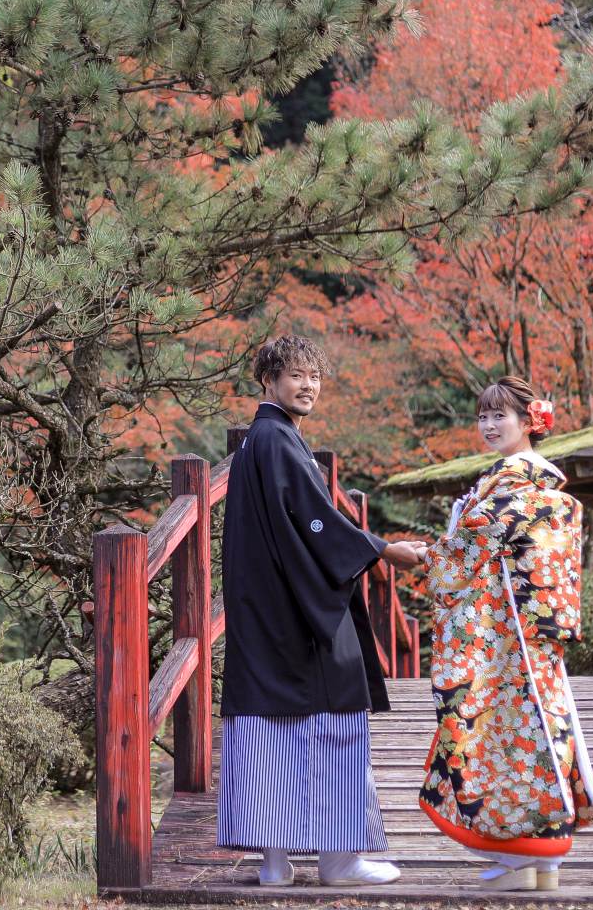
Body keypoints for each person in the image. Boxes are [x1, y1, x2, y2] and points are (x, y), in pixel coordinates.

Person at [218, 334, 427, 888]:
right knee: (333, 723)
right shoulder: (278, 441)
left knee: (267, 732)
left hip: (261, 613)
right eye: (295, 376)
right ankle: (339, 860)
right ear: (268, 380)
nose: (307, 386)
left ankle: (274, 862)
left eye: (314, 376)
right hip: (297, 614)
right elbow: (316, 521)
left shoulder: (259, 440)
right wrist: (383, 549)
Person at [418, 376, 593, 892]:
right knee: (538, 729)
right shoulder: (536, 487)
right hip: (529, 633)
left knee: (504, 734)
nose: (489, 425)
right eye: (482, 416)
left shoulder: (514, 487)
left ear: (530, 421)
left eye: (500, 415)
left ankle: (518, 855)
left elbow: (463, 556)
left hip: (503, 639)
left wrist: (422, 556)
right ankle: (543, 860)